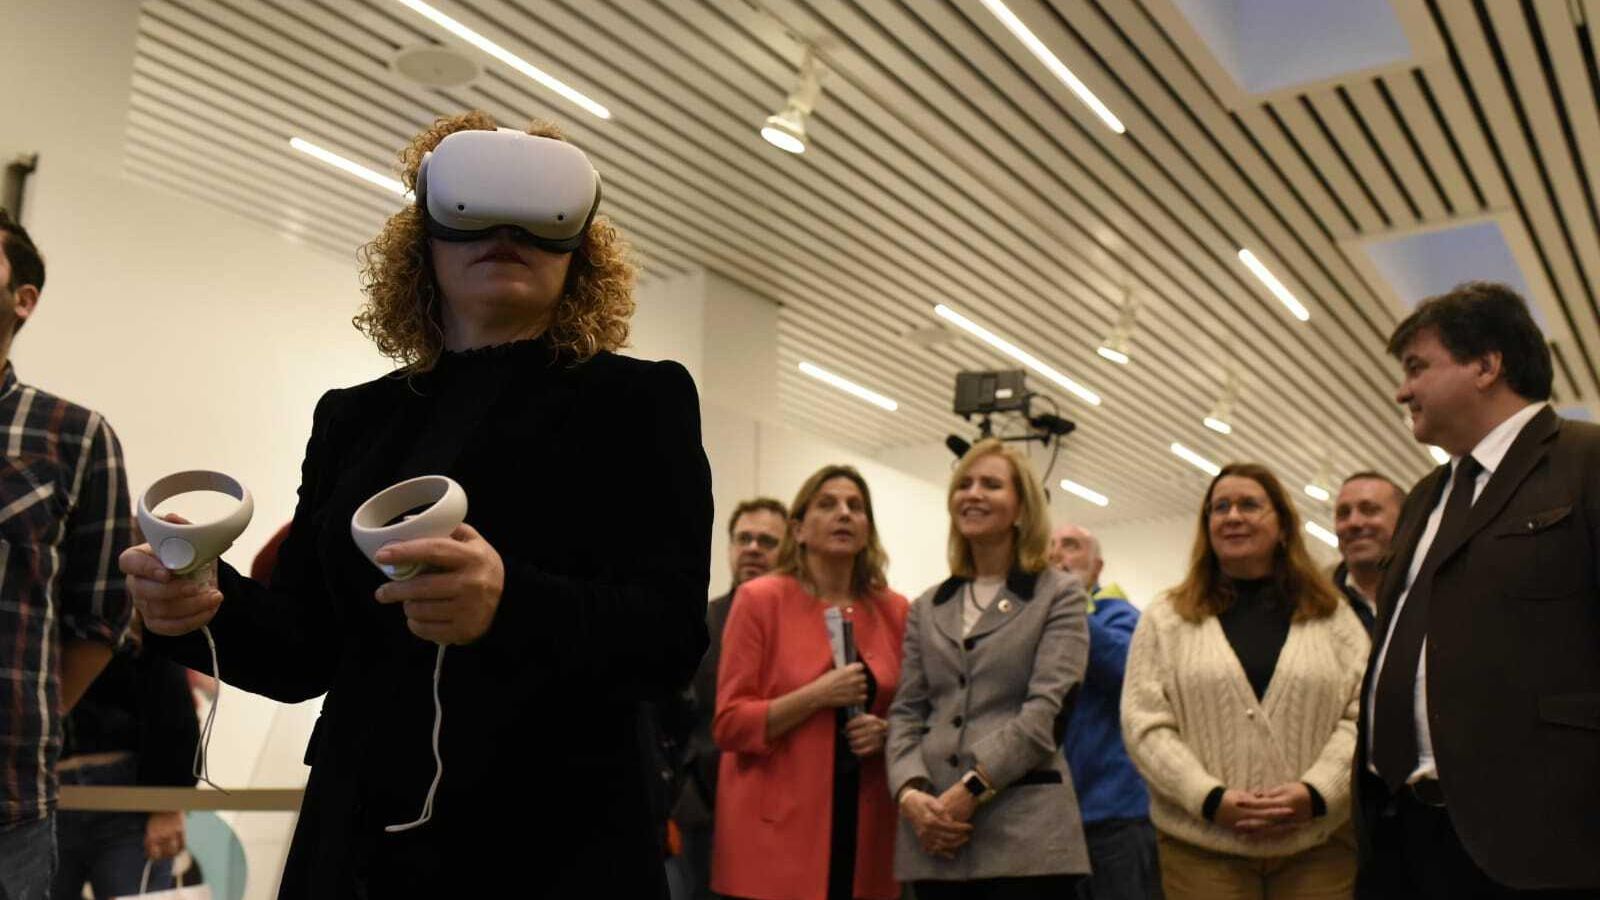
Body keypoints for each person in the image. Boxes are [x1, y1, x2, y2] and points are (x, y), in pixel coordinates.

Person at [119, 113, 712, 897]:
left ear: (580, 251)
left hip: (557, 836)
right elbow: (304, 649)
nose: (505, 233)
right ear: (423, 243)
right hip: (364, 833)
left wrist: (510, 602)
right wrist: (199, 602)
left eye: (538, 216)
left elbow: (670, 636)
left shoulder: (640, 402)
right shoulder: (354, 419)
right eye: (472, 213)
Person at [1356, 282, 1600, 896]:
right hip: (1403, 834)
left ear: (1487, 365)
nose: (1401, 390)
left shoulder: (1587, 462)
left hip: (1542, 845)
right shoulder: (1423, 498)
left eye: (1416, 367)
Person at [1122, 463, 1368, 899]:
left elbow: (1362, 713)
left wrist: (1317, 791)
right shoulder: (1167, 617)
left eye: (1249, 505)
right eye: (1220, 507)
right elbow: (1144, 724)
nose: (1232, 516)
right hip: (1200, 850)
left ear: (1283, 526)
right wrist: (1209, 798)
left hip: (1317, 847)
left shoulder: (1332, 614)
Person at [887, 439, 1091, 899]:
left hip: (1026, 843)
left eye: (991, 485)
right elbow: (906, 711)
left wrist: (971, 789)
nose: (973, 493)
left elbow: (1047, 713)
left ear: (1022, 509)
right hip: (934, 837)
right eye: (965, 484)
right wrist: (910, 792)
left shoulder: (1059, 594)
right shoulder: (927, 606)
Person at [0, 209, 133, 898]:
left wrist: (22, 728)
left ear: (23, 299)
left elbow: (102, 617)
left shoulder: (73, 435)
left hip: (6, 803)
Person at [712, 466, 908, 900]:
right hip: (777, 833)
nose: (843, 513)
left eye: (855, 507)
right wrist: (817, 696)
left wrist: (887, 732)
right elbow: (729, 723)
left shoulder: (895, 610)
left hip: (868, 829)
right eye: (827, 504)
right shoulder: (760, 600)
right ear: (798, 530)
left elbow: (918, 715)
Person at [673, 497, 788, 899]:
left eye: (767, 541)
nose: (753, 548)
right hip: (705, 810)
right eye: (744, 539)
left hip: (781, 806)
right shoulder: (700, 623)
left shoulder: (797, 624)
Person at [1048, 524, 1159, 900]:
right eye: (1050, 547)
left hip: (1115, 816)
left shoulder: (1120, 615)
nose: (1056, 554)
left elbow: (1126, 671)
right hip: (1053, 820)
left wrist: (1067, 609)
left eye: (1070, 546)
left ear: (1097, 567)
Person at [53, 616, 200, 899]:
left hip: (129, 796)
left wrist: (167, 805)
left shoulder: (121, 610)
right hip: (42, 791)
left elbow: (168, 695)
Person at [1331, 473, 1404, 633]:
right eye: (1343, 513)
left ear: (1404, 519)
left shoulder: (1436, 596)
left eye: (1369, 510)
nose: (1354, 522)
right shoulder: (1313, 606)